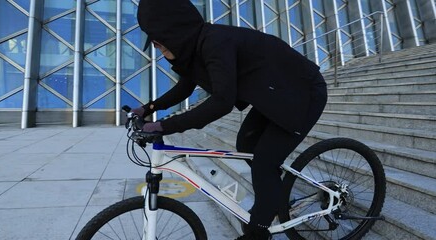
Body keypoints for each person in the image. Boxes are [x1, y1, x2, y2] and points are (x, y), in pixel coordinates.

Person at [133, 0, 327, 239]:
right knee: (246, 145)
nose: (157, 49)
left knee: (264, 164)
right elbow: (184, 88)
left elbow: (222, 102)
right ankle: (273, 197)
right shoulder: (195, 50)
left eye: (158, 42)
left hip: (302, 92)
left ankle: (260, 230)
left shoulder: (216, 42)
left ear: (174, 32)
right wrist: (148, 108)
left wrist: (165, 125)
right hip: (275, 95)